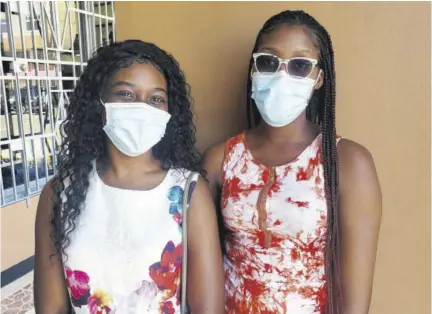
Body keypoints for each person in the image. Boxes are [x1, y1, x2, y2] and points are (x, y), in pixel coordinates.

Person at [204, 10, 382, 314]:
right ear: (253, 70)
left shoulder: (348, 163)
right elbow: (200, 264)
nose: (281, 76)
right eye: (268, 62)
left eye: (300, 65)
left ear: (318, 79)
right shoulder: (221, 158)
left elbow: (354, 300)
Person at [34, 40, 224, 314]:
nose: (142, 108)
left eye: (156, 98)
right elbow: (50, 308)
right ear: (98, 102)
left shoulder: (188, 193)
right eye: (126, 94)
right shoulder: (60, 194)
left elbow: (208, 309)